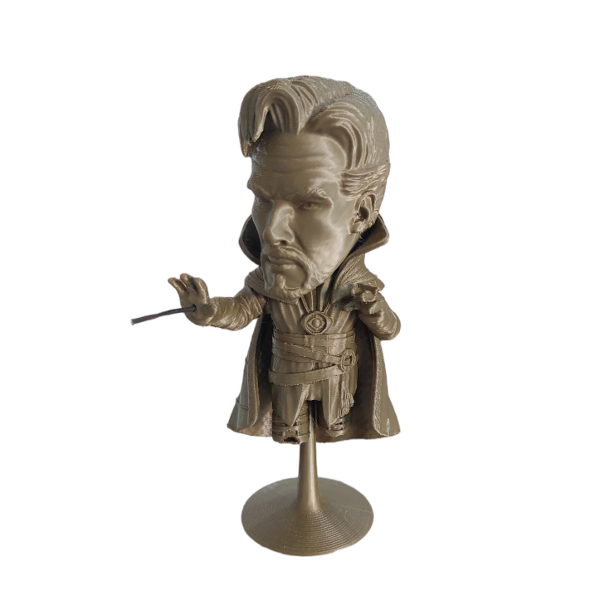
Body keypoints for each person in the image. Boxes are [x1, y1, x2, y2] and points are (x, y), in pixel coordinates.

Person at [169, 76, 401, 444]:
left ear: (361, 212)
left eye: (307, 204)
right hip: (287, 376)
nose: (272, 231)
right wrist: (210, 312)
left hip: (338, 380)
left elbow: (389, 328)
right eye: (264, 199)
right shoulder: (267, 281)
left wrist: (374, 309)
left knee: (332, 422)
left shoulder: (358, 285)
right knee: (291, 428)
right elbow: (241, 310)